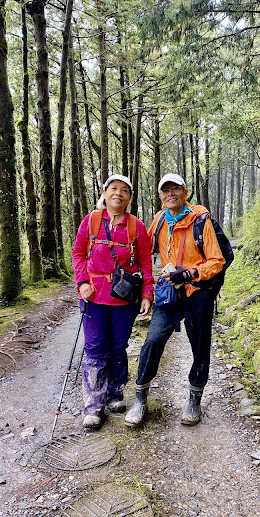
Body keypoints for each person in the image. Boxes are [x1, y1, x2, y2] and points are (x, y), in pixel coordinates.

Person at [125, 173, 225, 428]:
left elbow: (216, 260)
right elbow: (143, 251)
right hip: (169, 291)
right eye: (165, 190)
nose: (171, 194)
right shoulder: (159, 220)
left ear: (185, 191)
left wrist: (191, 273)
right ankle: (140, 398)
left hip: (197, 291)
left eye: (175, 189)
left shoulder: (200, 219)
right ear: (160, 196)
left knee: (200, 345)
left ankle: (194, 399)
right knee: (153, 340)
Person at [72, 175, 153, 431]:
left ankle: (115, 393)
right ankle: (93, 405)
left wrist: (147, 295)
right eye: (114, 189)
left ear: (129, 198)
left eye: (124, 190)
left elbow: (145, 263)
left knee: (119, 347)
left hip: (124, 299)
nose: (118, 193)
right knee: (95, 348)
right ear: (104, 193)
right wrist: (82, 281)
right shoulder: (92, 220)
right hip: (93, 295)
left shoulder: (137, 227)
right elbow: (78, 253)